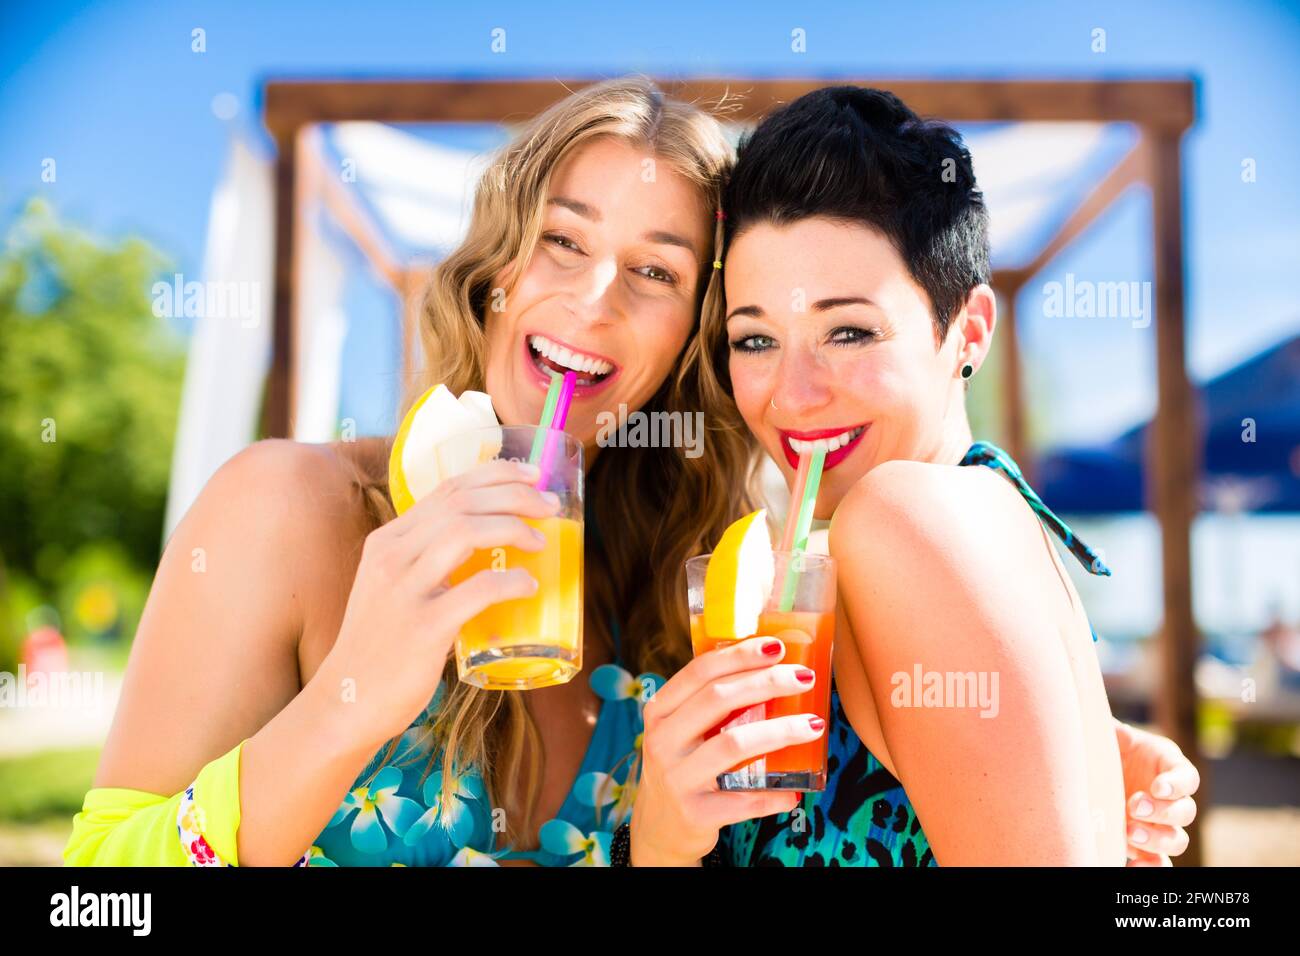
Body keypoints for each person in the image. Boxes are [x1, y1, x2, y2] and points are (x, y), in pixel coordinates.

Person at [64, 78, 1195, 867]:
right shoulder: (287, 510)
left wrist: (1049, 744)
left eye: (655, 271)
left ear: (687, 340)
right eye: (561, 240)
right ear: (495, 268)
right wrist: (356, 689)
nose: (593, 300)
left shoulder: (684, 587)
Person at [631, 85, 1199, 865]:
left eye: (850, 331)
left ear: (967, 331)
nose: (793, 395)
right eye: (755, 340)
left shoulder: (902, 519)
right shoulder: (979, 517)